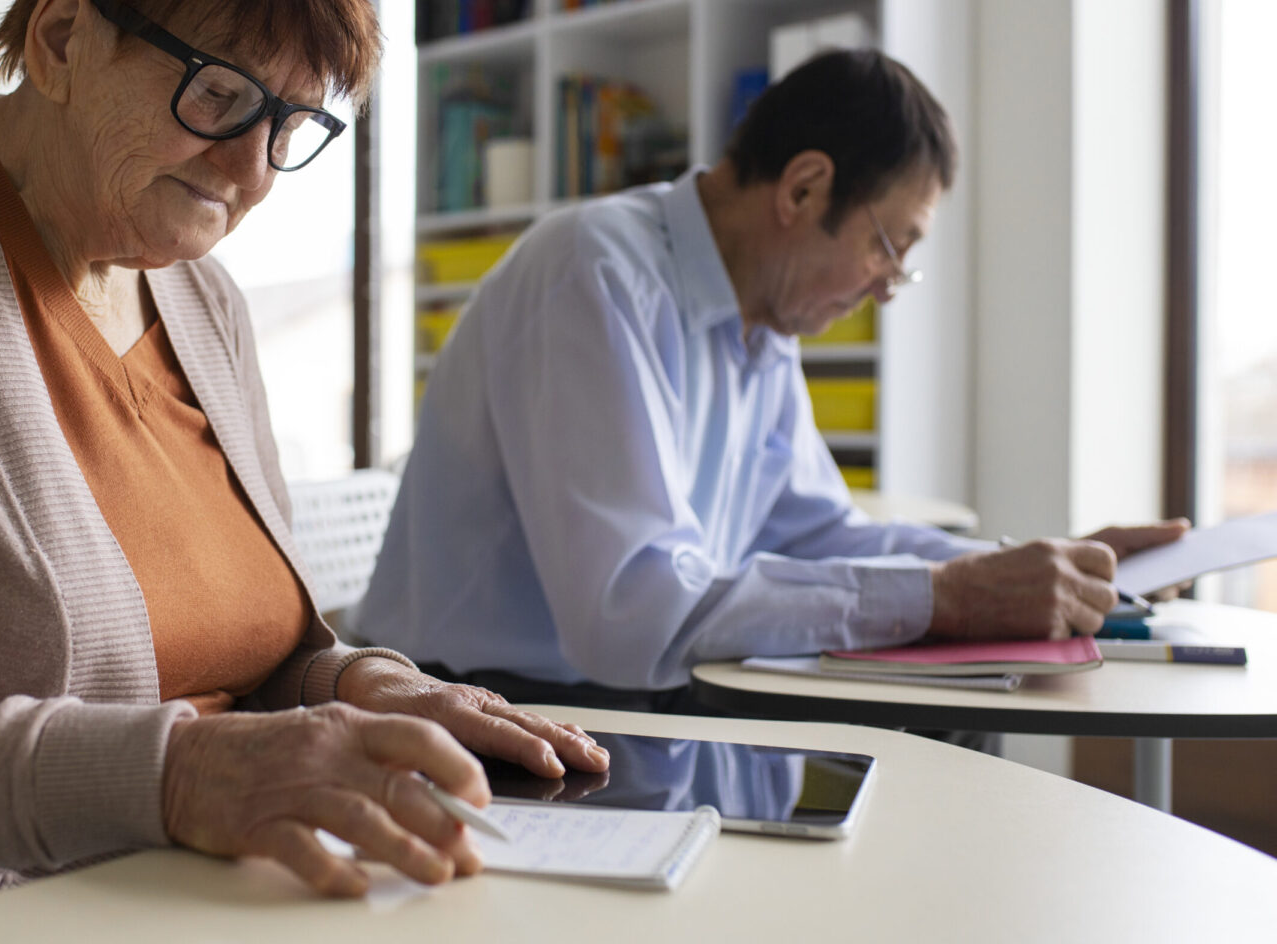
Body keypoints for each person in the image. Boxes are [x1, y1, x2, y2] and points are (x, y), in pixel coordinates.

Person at [0, 0, 608, 936]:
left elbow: (247, 657)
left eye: (288, 123)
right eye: (220, 96)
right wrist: (174, 776)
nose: (251, 175)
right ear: (63, 37)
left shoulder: (205, 300)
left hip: (192, 893)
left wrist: (363, 684)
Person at [353, 48, 1187, 709]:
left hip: (618, 700)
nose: (884, 290)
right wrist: (948, 598)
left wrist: (1037, 568)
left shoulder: (759, 326)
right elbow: (629, 613)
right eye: (889, 249)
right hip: (476, 709)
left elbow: (820, 534)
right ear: (804, 186)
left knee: (920, 741)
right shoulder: (597, 274)